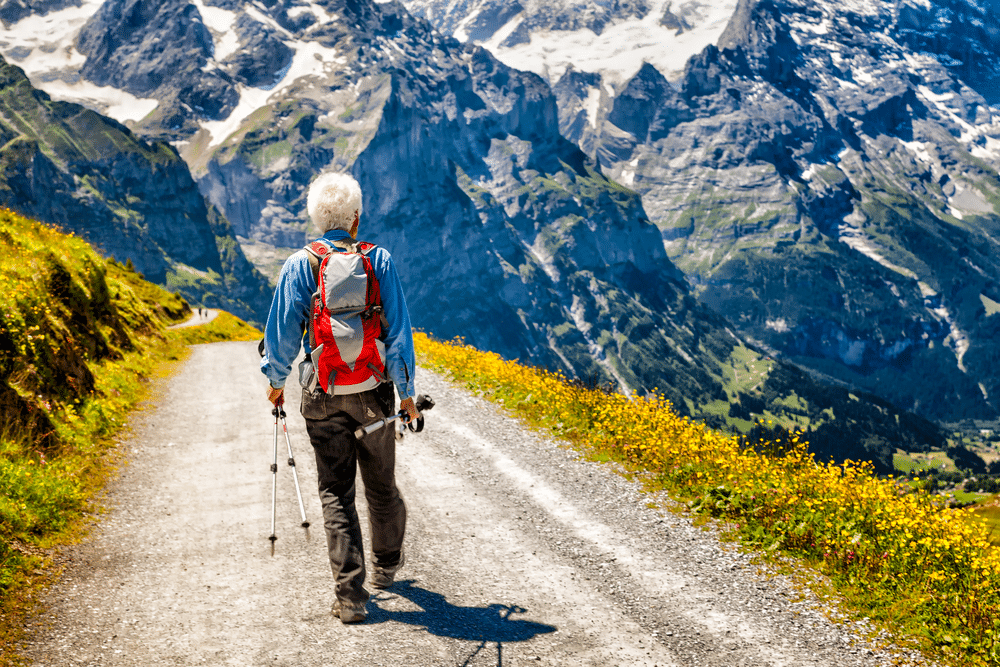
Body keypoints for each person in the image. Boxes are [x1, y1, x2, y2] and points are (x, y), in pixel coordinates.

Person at [260, 172, 419, 624]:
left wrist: (274, 380)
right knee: (381, 484)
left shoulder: (300, 264)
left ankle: (350, 596)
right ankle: (387, 566)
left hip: (322, 395)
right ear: (354, 217)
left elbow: (283, 332)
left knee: (335, 490)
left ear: (316, 217)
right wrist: (406, 394)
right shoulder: (379, 260)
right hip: (372, 393)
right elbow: (398, 331)